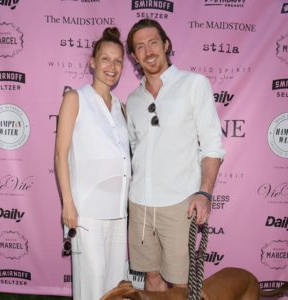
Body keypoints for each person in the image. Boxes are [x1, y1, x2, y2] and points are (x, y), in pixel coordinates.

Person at [125, 19, 225, 292]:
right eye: (140, 47)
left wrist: (204, 193)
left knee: (181, 285)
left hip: (180, 202)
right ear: (134, 56)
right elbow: (136, 150)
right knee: (151, 279)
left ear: (166, 44)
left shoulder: (194, 84)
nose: (148, 51)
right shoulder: (133, 100)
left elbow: (212, 143)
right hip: (140, 204)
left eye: (153, 42)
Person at [55, 27, 131, 300]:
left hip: (118, 213)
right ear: (93, 61)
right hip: (86, 212)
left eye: (118, 61)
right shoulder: (75, 98)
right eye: (106, 59)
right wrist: (68, 202)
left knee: (114, 288)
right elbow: (60, 154)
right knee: (91, 287)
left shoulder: (121, 107)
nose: (112, 66)